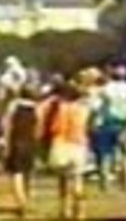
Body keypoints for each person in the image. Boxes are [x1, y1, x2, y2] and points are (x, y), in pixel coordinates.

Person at [40, 80, 91, 221]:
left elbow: (54, 128)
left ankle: (65, 209)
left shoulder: (61, 108)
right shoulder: (84, 109)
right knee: (78, 180)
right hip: (79, 144)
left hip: (62, 144)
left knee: (62, 180)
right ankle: (81, 211)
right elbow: (88, 127)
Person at [2, 86, 40, 219]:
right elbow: (38, 128)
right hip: (31, 144)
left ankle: (21, 202)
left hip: (16, 143)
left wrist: (6, 145)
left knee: (16, 174)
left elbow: (7, 126)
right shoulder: (36, 108)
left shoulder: (13, 106)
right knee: (27, 174)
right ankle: (26, 198)